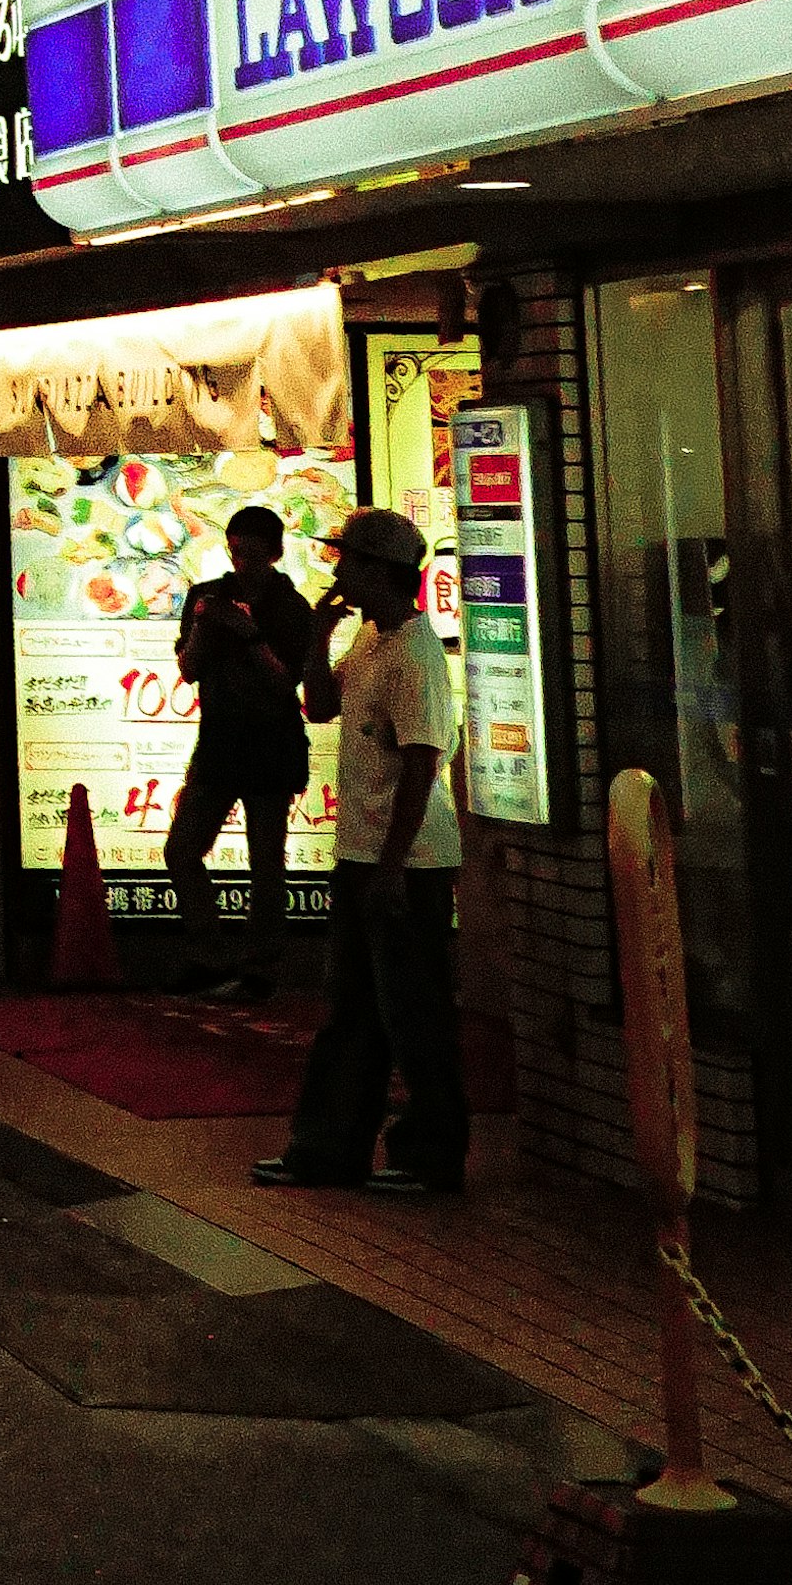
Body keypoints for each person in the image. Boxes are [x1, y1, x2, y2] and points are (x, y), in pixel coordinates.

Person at [256, 507, 468, 1202]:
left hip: (407, 863)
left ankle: (431, 1156)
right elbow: (318, 704)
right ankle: (327, 1149)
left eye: (346, 559)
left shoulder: (416, 653)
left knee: (414, 1014)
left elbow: (421, 765)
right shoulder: (374, 641)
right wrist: (319, 636)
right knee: (350, 1010)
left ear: (378, 570)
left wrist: (389, 868)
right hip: (364, 854)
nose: (337, 569)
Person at [166, 502, 316, 1001]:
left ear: (275, 552)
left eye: (255, 551)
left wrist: (248, 633)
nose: (245, 561)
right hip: (219, 741)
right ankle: (207, 953)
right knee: (181, 849)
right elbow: (187, 669)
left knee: (266, 860)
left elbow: (287, 682)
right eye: (237, 549)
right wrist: (211, 623)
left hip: (273, 742)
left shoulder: (293, 607)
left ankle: (261, 968)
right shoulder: (205, 597)